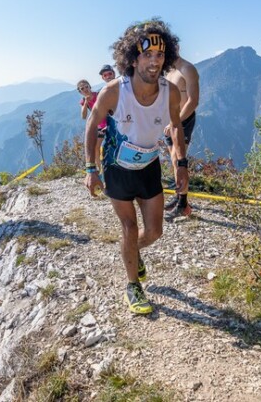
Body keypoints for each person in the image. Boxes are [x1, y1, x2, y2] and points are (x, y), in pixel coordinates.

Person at [84, 18, 189, 315]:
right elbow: (91, 124)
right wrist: (90, 169)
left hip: (149, 166)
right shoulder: (114, 91)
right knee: (129, 228)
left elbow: (176, 126)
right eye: (147, 54)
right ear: (133, 58)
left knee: (154, 232)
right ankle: (133, 286)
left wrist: (181, 164)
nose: (154, 61)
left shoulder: (170, 91)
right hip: (116, 168)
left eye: (160, 54)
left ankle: (132, 252)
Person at [163, 50, 200, 219]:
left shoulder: (187, 69)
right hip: (169, 121)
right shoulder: (169, 71)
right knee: (173, 160)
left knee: (179, 160)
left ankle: (183, 204)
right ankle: (179, 197)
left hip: (183, 119)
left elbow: (193, 101)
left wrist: (175, 122)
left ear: (175, 47)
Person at [77, 79, 104, 171]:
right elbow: (83, 116)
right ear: (80, 92)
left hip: (109, 123)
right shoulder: (83, 101)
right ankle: (100, 169)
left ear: (90, 87)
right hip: (99, 126)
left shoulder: (99, 95)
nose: (85, 89)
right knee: (96, 147)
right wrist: (85, 103)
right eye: (82, 88)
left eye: (86, 87)